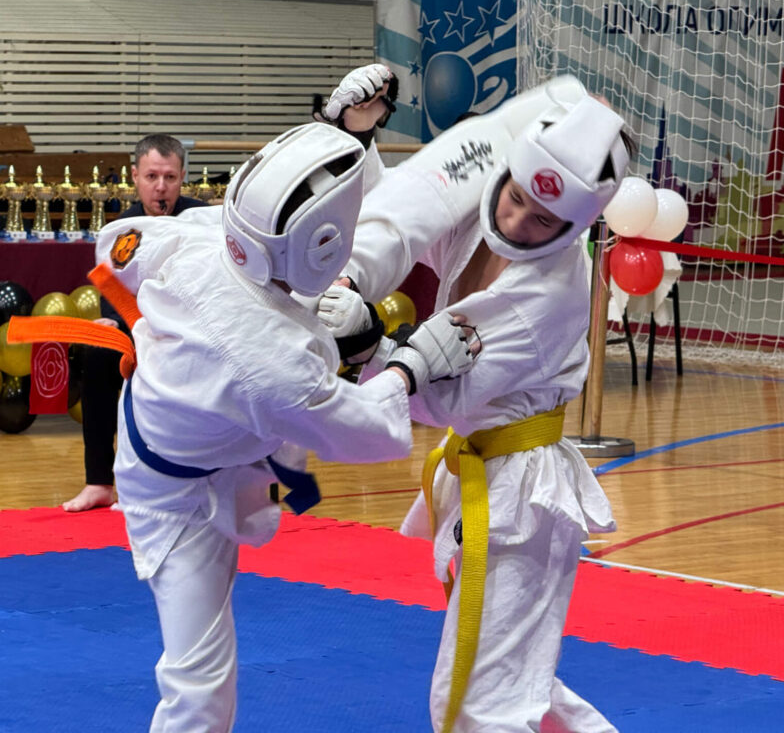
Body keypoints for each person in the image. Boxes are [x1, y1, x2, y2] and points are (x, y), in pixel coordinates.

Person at [93, 122, 477, 732]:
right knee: (200, 682)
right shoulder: (275, 366)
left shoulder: (200, 234)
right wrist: (406, 364)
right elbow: (366, 429)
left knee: (213, 652)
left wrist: (157, 335)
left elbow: (113, 249)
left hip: (217, 441)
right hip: (174, 493)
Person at [319, 75, 632, 731]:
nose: (516, 222)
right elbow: (406, 216)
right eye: (516, 198)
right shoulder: (489, 197)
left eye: (542, 219)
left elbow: (438, 398)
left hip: (523, 495)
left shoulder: (550, 291)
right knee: (516, 681)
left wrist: (368, 342)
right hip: (488, 469)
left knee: (477, 703)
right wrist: (356, 139)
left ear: (576, 224)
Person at [64, 134, 208, 513]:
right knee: (98, 355)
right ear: (134, 176)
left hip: (194, 333)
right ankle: (98, 482)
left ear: (183, 177)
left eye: (170, 177)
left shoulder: (202, 222)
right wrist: (110, 322)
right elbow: (112, 293)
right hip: (140, 330)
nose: (161, 187)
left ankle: (183, 484)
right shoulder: (122, 230)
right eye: (152, 177)